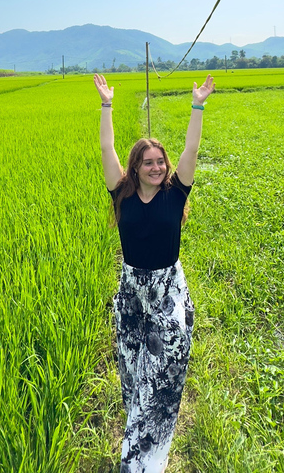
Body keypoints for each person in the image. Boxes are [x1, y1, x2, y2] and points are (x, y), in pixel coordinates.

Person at [94, 73, 215, 473]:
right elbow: (107, 147)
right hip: (131, 296)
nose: (157, 166)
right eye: (149, 162)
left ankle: (148, 459)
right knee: (133, 376)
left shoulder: (176, 192)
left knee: (163, 377)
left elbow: (192, 146)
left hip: (167, 293)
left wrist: (198, 105)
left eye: (160, 161)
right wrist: (107, 104)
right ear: (136, 167)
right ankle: (136, 445)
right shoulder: (122, 193)